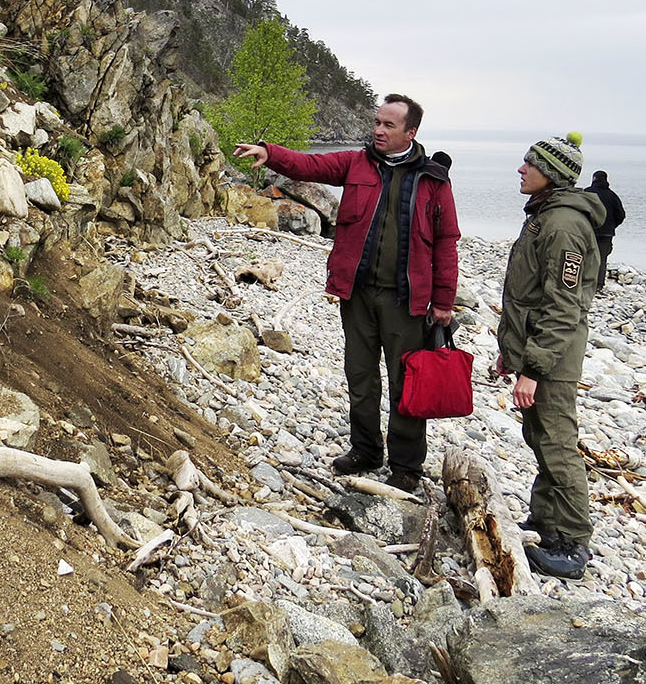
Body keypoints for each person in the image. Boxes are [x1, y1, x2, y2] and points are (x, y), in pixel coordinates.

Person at [234, 94, 460, 492]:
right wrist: (269, 152)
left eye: (389, 125)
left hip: (406, 301)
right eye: (377, 122)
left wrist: (443, 301)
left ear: (411, 132)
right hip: (357, 293)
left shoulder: (433, 180)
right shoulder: (357, 163)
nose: (378, 130)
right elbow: (311, 164)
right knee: (360, 374)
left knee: (405, 382)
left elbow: (446, 242)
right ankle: (366, 450)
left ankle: (406, 465)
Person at [498, 131, 605, 580]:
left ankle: (573, 542)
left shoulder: (563, 226)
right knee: (541, 437)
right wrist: (512, 354)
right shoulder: (544, 216)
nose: (522, 169)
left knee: (558, 442)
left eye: (531, 164)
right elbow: (527, 294)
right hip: (538, 350)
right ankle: (545, 522)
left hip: (554, 358)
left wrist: (535, 369)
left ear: (553, 175)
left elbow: (562, 307)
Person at [585, 170, 626, 290]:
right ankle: (599, 285)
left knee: (585, 255)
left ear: (594, 179)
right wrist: (612, 226)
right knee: (601, 259)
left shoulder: (587, 193)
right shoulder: (612, 196)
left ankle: (584, 282)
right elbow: (621, 215)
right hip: (606, 233)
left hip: (588, 230)